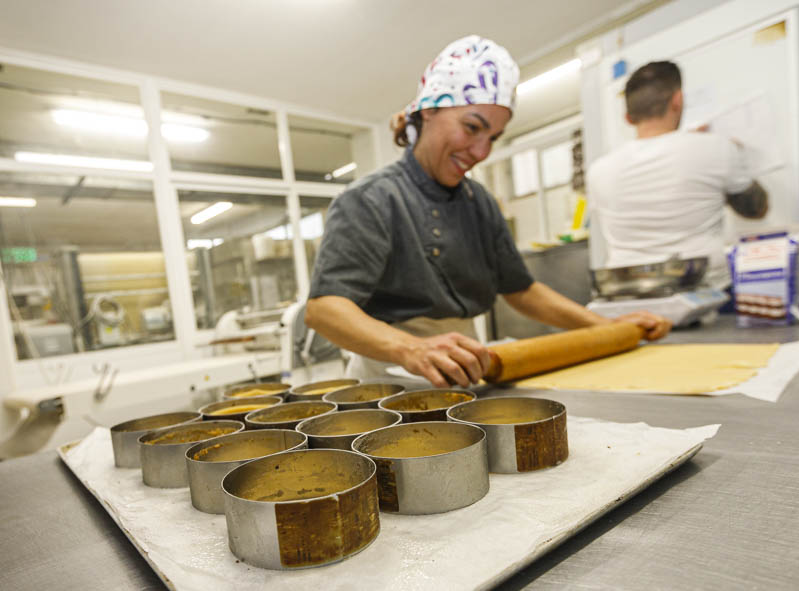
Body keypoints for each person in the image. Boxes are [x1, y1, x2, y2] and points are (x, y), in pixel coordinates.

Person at [305, 36, 671, 388]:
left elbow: (521, 290)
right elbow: (324, 309)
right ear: (430, 109)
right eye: (472, 127)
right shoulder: (372, 200)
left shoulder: (478, 201)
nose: (481, 151)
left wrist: (605, 327)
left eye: (493, 137)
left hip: (466, 364)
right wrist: (410, 348)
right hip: (388, 376)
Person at [587, 61, 769, 289]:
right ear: (678, 100)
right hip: (705, 296)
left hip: (633, 300)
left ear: (628, 117)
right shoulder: (715, 148)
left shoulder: (599, 170)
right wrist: (733, 158)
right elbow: (756, 209)